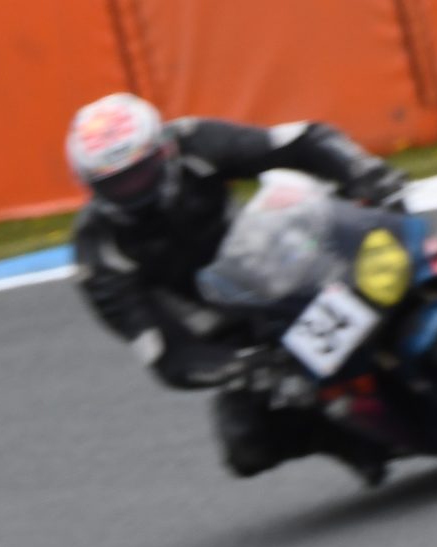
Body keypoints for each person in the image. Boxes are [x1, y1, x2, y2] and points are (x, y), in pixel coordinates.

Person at [65, 92, 412, 483]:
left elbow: (301, 141)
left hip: (284, 256)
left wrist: (363, 173)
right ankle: (350, 440)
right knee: (245, 445)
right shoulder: (98, 254)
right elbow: (163, 352)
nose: (134, 187)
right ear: (92, 187)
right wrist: (237, 366)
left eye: (140, 172)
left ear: (163, 151)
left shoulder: (196, 141)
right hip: (236, 325)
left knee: (375, 235)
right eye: (118, 183)